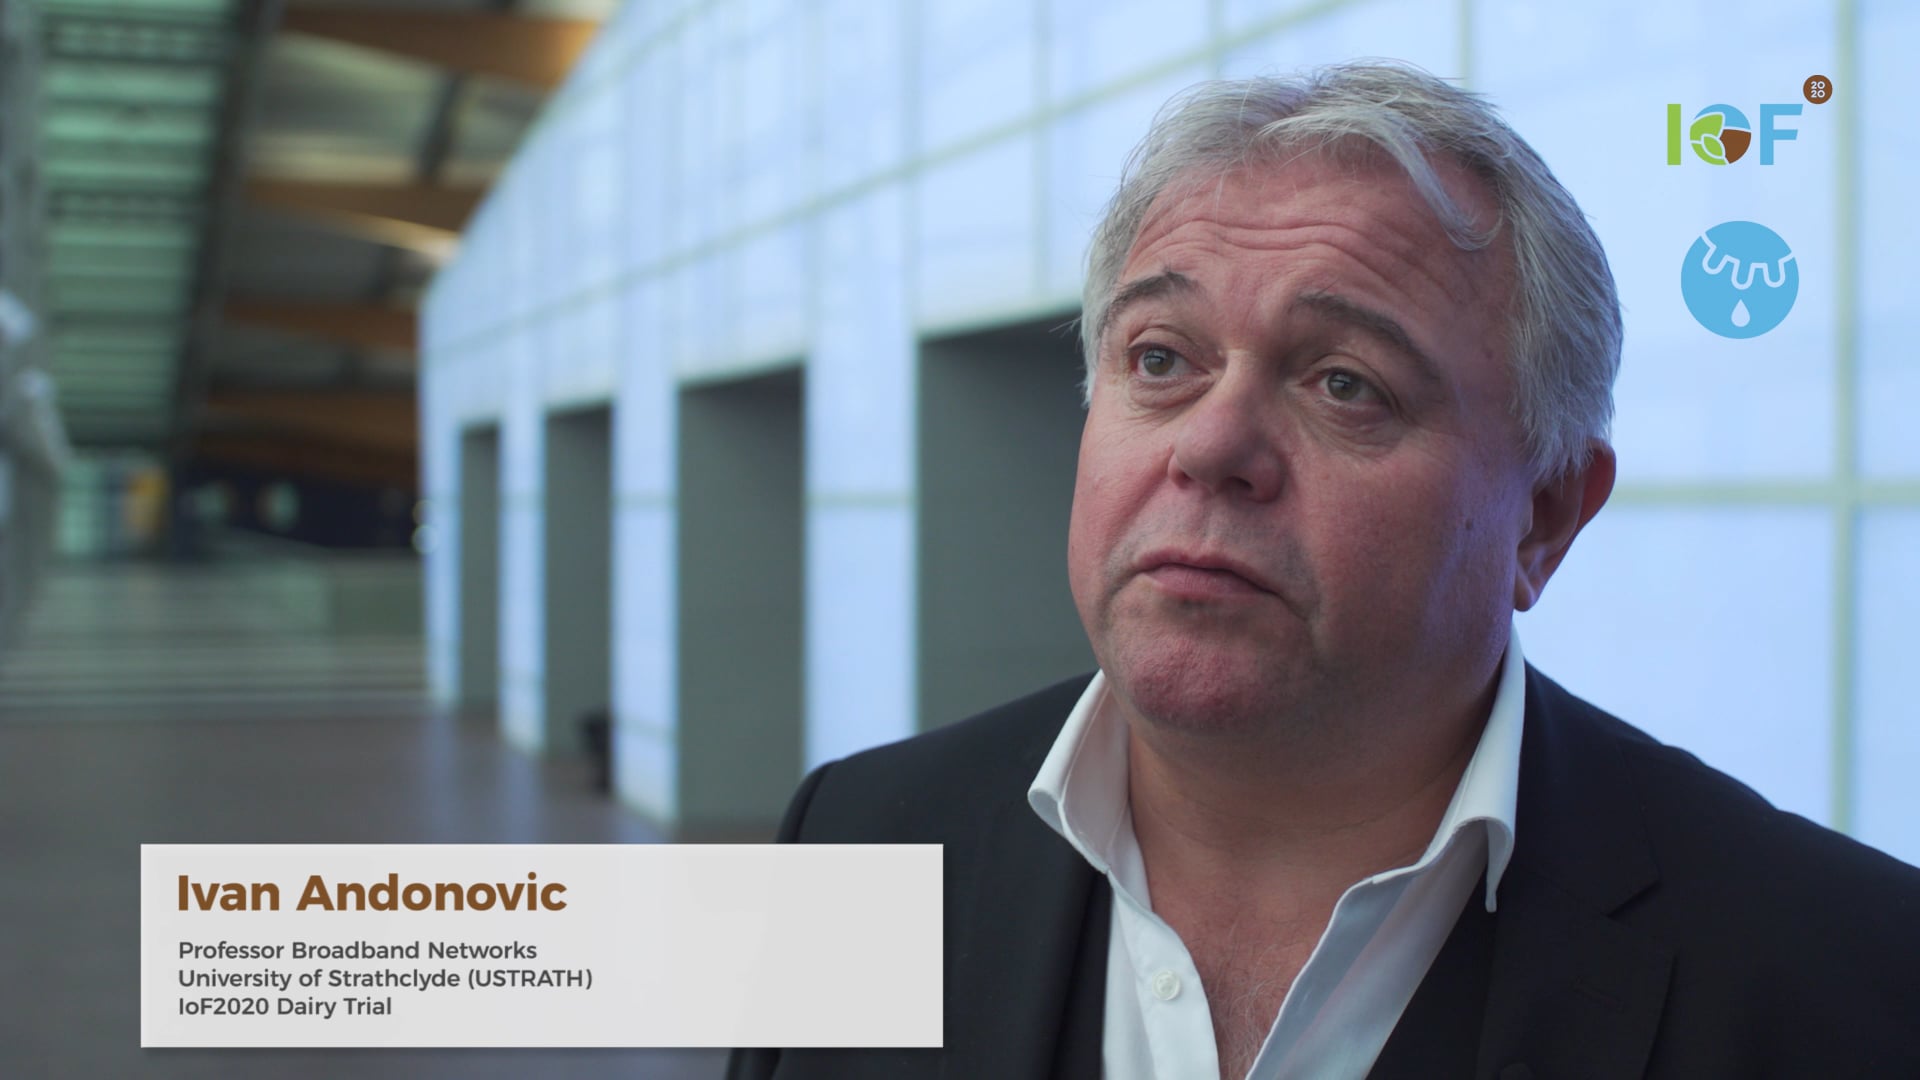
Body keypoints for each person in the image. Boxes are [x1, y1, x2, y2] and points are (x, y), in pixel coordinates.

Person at [727, 62, 1920, 1080]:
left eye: (1346, 383)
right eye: (1161, 358)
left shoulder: (1847, 976)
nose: (1210, 446)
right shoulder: (858, 842)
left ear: (1545, 519)